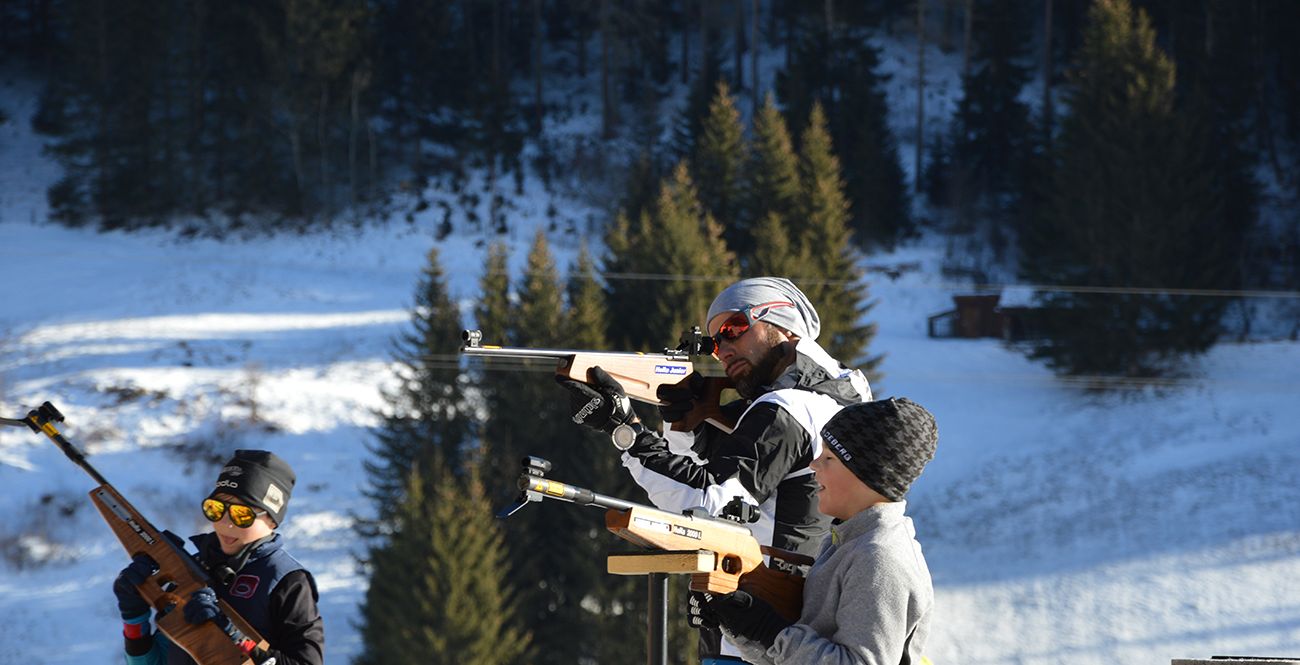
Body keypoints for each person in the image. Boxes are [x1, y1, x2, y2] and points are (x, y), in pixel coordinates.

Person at [560, 276, 872, 663]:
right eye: (713, 342)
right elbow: (724, 488)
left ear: (782, 324)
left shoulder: (787, 409)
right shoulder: (832, 404)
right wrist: (682, 427)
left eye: (733, 329)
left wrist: (624, 430)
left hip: (757, 626)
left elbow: (709, 505)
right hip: (779, 624)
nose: (721, 349)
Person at [697, 397, 938, 665]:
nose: (814, 465)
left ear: (868, 474)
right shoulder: (844, 543)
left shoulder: (879, 558)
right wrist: (738, 623)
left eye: (829, 457)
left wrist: (771, 632)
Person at [112, 449, 324, 665]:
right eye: (216, 508)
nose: (225, 522)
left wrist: (236, 637)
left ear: (272, 521)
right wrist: (133, 616)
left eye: (242, 514)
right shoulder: (190, 570)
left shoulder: (288, 581)